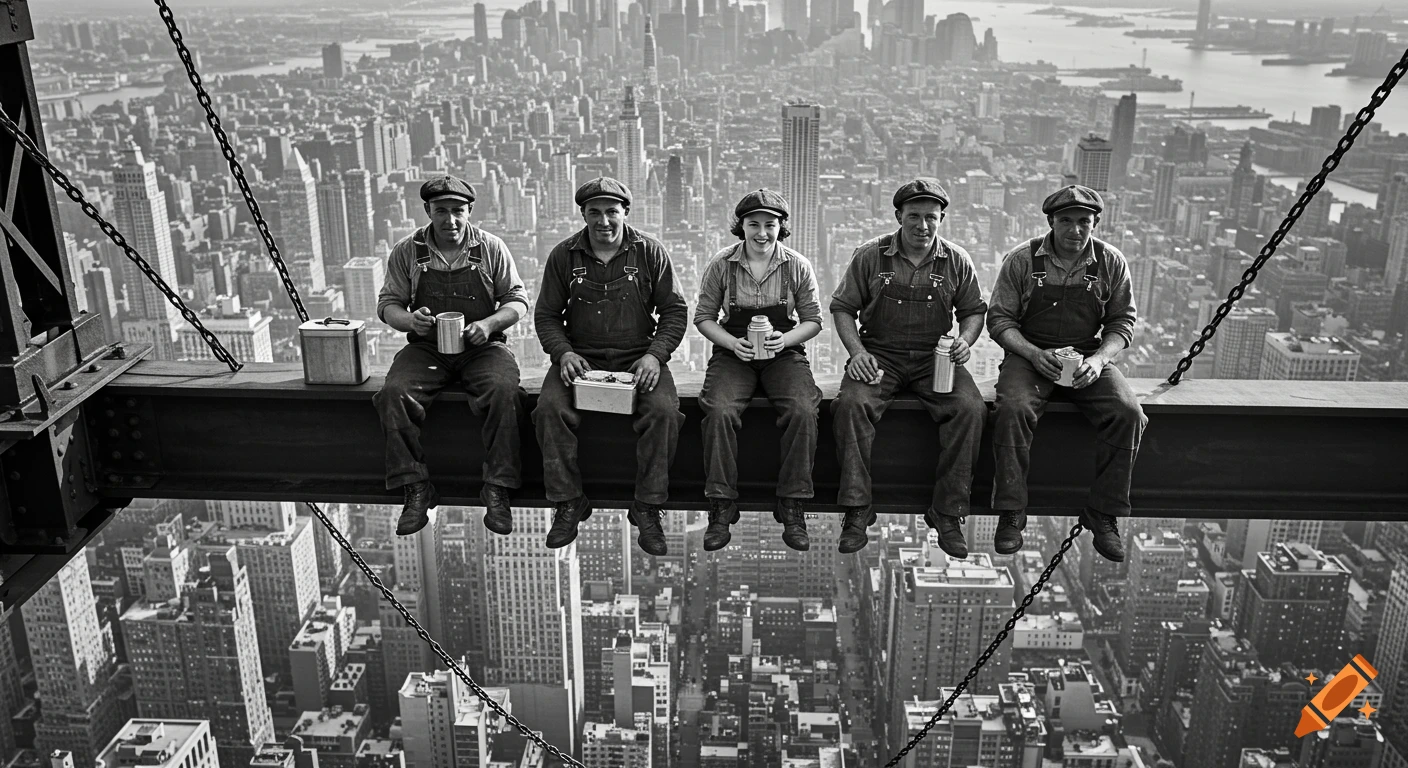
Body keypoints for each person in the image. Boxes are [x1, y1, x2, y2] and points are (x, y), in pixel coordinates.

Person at [987, 185, 1147, 562]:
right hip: (1029, 355)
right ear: (1051, 222)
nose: (1075, 230)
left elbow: (1122, 322)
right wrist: (1030, 352)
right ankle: (1011, 510)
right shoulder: (1022, 260)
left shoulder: (1110, 261)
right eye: (1066, 221)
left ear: (1095, 224)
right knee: (1012, 409)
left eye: (1084, 222)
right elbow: (1000, 319)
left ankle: (1104, 512)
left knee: (1128, 414)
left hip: (1086, 355)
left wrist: (1098, 360)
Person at [830, 178, 987, 556]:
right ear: (898, 216)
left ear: (942, 219)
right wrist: (857, 353)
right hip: (880, 354)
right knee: (851, 406)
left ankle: (948, 511)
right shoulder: (871, 255)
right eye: (913, 216)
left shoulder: (957, 260)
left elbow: (973, 311)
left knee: (970, 409)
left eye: (931, 217)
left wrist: (965, 340)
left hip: (936, 356)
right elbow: (842, 307)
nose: (922, 226)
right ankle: (856, 507)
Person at [533, 177, 689, 555]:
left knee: (664, 412)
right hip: (580, 355)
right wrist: (564, 354)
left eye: (611, 212)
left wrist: (655, 355)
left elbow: (674, 311)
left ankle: (648, 506)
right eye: (594, 213)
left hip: (638, 354)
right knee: (549, 409)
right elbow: (547, 315)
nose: (603, 220)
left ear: (625, 213)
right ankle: (568, 501)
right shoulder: (564, 256)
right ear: (584, 215)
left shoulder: (650, 252)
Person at [374, 175, 529, 537]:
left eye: (458, 211)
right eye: (441, 211)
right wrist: (410, 321)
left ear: (469, 211)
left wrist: (489, 324)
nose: (450, 220)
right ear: (428, 210)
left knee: (505, 392)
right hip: (427, 347)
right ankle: (415, 486)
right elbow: (388, 305)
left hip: (483, 347)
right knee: (394, 393)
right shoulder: (407, 250)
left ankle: (498, 487)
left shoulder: (490, 248)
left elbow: (518, 300)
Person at [693, 190, 824, 552]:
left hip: (783, 351)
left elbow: (813, 320)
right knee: (718, 409)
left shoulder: (797, 265)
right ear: (742, 227)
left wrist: (784, 340)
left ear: (782, 227)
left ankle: (793, 502)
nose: (762, 233)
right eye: (754, 224)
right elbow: (703, 317)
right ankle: (721, 503)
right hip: (735, 350)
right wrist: (733, 343)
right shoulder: (722, 264)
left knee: (802, 409)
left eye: (770, 224)